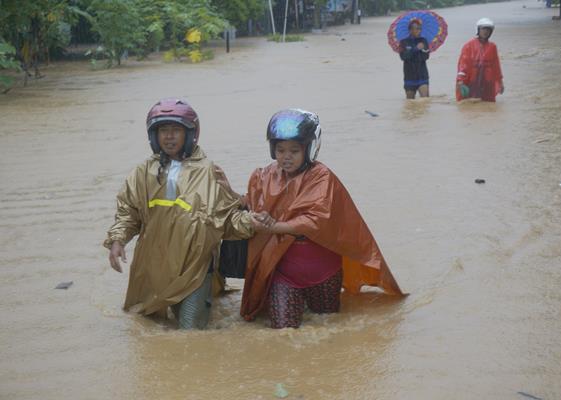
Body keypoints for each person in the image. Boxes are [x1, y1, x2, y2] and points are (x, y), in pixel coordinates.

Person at [218, 109, 406, 329]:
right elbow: (253, 203)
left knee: (328, 326)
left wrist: (276, 227)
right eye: (280, 150)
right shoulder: (265, 175)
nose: (286, 156)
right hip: (284, 273)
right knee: (283, 332)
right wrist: (230, 194)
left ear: (309, 149)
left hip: (324, 272)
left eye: (294, 151)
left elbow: (315, 221)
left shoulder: (322, 177)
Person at [104, 98, 265, 329]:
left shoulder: (209, 171)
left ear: (190, 134)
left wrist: (252, 221)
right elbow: (128, 212)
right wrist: (117, 240)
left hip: (195, 266)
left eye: (176, 130)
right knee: (144, 326)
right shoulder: (142, 173)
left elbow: (227, 219)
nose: (169, 137)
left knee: (190, 333)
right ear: (154, 135)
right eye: (163, 131)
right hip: (152, 266)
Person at [456, 18, 504, 102]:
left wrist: (500, 81)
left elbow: (496, 65)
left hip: (487, 80)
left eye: (488, 29)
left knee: (487, 103)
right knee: (470, 101)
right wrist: (460, 80)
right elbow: (463, 64)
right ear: (478, 30)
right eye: (483, 29)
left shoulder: (492, 47)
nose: (486, 32)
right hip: (472, 78)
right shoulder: (469, 45)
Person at [399, 20, 430, 99]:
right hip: (409, 76)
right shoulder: (403, 42)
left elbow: (426, 57)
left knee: (425, 101)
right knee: (410, 103)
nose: (418, 30)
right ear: (410, 30)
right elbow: (403, 57)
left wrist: (424, 50)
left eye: (420, 28)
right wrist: (415, 49)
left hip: (422, 75)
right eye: (416, 28)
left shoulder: (423, 41)